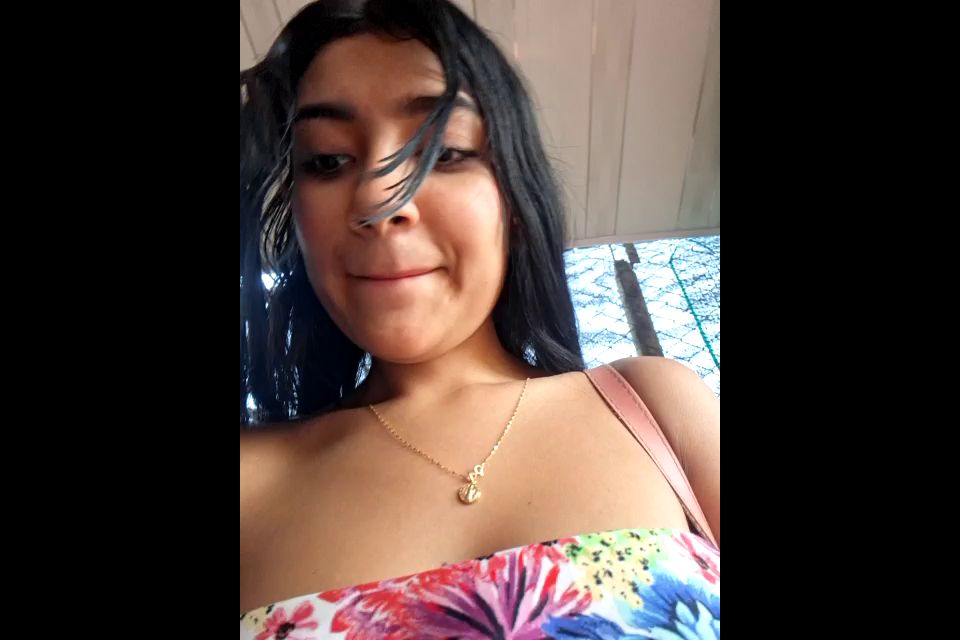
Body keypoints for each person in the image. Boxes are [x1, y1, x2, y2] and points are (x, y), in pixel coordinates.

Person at [240, 1, 719, 637]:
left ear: (513, 200)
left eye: (444, 152)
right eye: (326, 160)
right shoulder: (250, 480)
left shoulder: (655, 407)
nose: (378, 200)